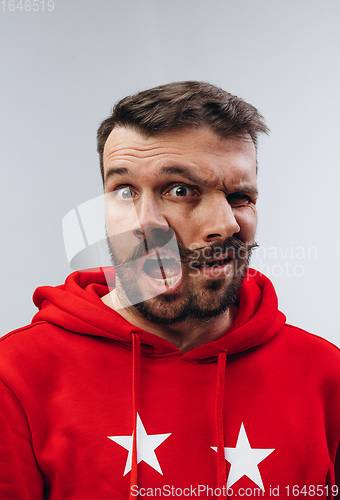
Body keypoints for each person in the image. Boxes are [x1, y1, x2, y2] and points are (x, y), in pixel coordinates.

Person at [0, 81, 339, 499]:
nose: (227, 225)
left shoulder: (327, 376)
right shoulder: (13, 379)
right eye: (182, 190)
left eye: (239, 196)